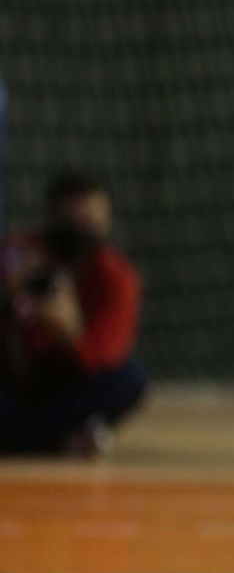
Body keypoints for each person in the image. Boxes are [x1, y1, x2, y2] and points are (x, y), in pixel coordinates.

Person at [0, 170, 146, 457]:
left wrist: (68, 331)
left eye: (91, 222)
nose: (80, 231)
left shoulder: (117, 278)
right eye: (71, 221)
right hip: (11, 380)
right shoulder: (16, 255)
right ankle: (56, 439)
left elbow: (103, 360)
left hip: (65, 385)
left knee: (129, 380)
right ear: (50, 217)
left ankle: (25, 438)